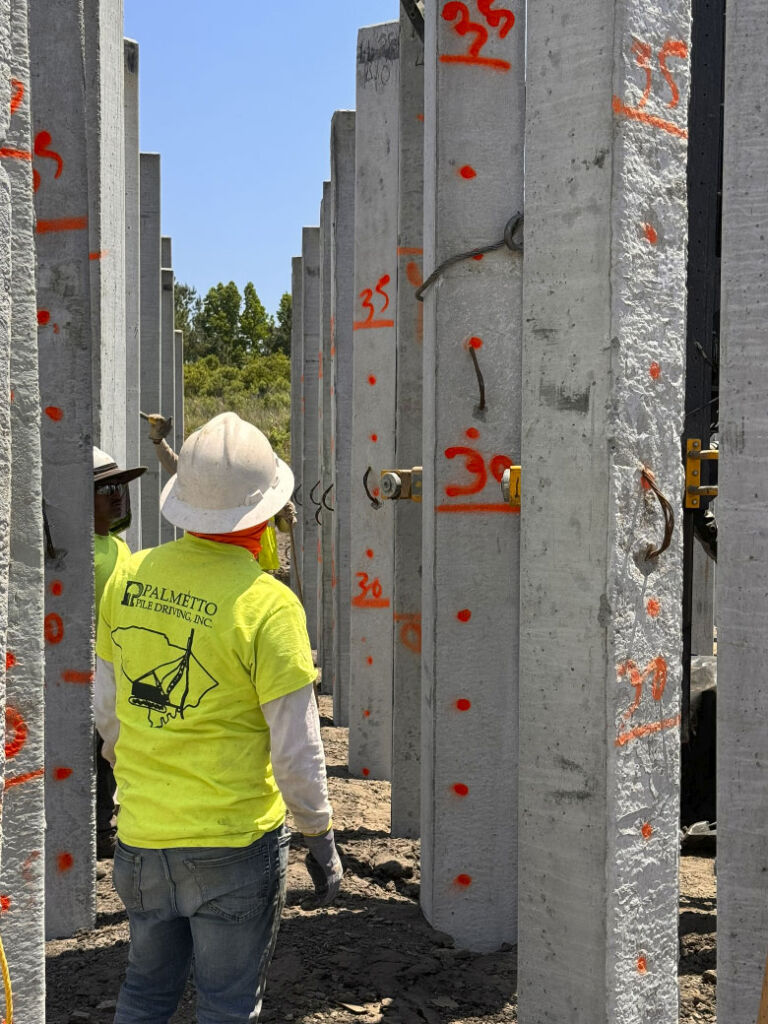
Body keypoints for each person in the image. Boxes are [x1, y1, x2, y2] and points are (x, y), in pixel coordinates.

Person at [95, 412, 342, 1024]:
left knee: (145, 993)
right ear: (267, 512)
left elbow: (107, 709)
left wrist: (141, 777)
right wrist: (319, 835)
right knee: (228, 1004)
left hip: (142, 841)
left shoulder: (128, 577)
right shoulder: (269, 606)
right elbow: (296, 748)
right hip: (234, 847)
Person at [142, 411, 296, 572]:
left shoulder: (256, 482)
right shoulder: (211, 478)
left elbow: (285, 527)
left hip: (258, 566)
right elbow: (176, 465)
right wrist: (159, 442)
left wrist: (282, 510)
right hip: (228, 564)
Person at [93, 447, 147, 858]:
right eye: (106, 489)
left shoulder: (119, 547)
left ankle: (107, 822)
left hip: (114, 668)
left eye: (121, 487)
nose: (118, 496)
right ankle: (98, 830)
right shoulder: (79, 553)